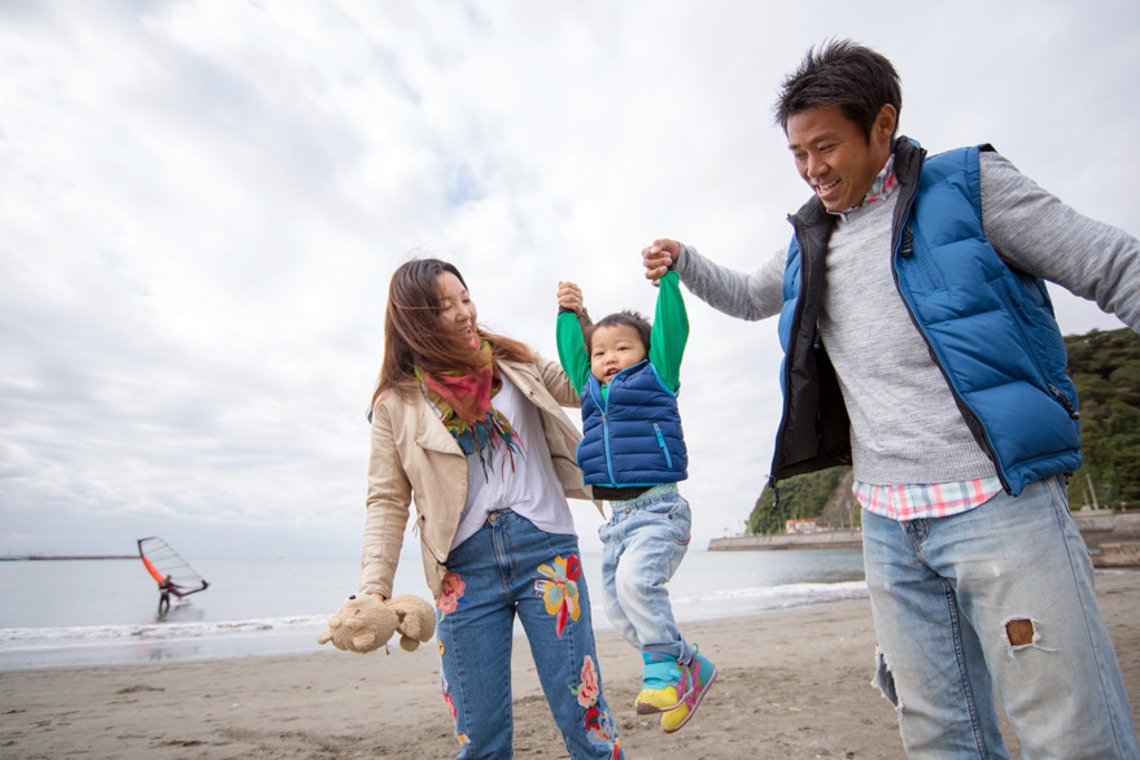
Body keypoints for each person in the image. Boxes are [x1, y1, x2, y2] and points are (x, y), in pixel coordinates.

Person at [641, 39, 1140, 759]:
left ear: (883, 125)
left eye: (826, 147)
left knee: (1068, 733)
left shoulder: (968, 187)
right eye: (797, 155)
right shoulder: (810, 238)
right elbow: (752, 298)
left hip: (999, 504)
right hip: (890, 525)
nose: (812, 170)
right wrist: (684, 261)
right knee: (939, 735)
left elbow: (1112, 264)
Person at [360, 258, 622, 759]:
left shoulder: (515, 363)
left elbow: (586, 381)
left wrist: (581, 324)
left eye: (465, 297)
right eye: (444, 307)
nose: (464, 313)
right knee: (479, 739)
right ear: (414, 320)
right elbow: (387, 499)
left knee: (586, 719)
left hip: (546, 551)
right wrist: (375, 587)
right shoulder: (397, 402)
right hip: (462, 569)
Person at [554, 272, 716, 734]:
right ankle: (691, 668)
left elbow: (671, 328)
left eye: (622, 347)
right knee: (623, 614)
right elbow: (573, 351)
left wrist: (668, 283)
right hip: (616, 522)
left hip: (658, 511)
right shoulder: (588, 389)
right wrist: (568, 312)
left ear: (645, 350)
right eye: (601, 352)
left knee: (637, 584)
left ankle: (665, 676)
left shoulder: (658, 375)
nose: (609, 358)